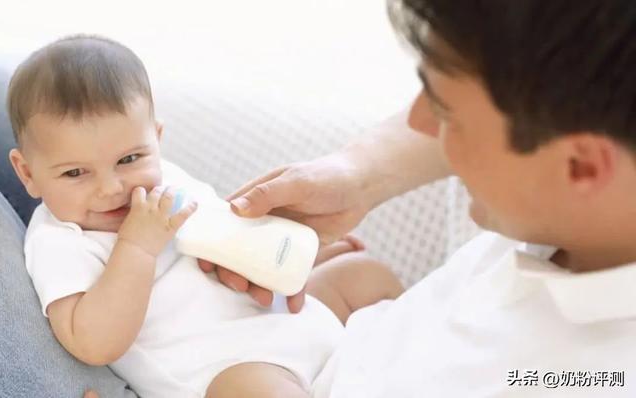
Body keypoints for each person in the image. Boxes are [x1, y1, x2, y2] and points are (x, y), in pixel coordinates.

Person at [210, 0, 636, 396]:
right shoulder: (554, 211)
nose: (417, 122)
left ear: (582, 167)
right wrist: (355, 175)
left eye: (447, 114)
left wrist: (250, 372)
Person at [6, 34, 403, 398]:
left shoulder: (169, 180)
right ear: (27, 173)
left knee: (363, 275)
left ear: (156, 140)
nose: (111, 187)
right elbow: (91, 342)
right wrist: (136, 248)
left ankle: (427, 368)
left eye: (130, 158)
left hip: (288, 318)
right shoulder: (58, 240)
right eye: (75, 173)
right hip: (229, 368)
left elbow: (229, 238)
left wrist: (289, 257)